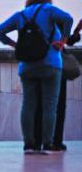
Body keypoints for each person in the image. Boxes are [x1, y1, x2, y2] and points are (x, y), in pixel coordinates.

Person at [0, 0, 73, 154]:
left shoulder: (21, 15)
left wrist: (15, 45)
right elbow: (68, 19)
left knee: (28, 105)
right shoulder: (49, 10)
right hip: (51, 63)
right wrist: (63, 40)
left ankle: (29, 144)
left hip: (27, 65)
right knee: (50, 106)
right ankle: (47, 143)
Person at [34, 18, 82, 151]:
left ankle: (38, 142)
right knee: (59, 107)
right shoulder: (59, 22)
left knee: (40, 106)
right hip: (57, 67)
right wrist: (77, 30)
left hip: (42, 68)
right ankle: (56, 141)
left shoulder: (38, 23)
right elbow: (70, 41)